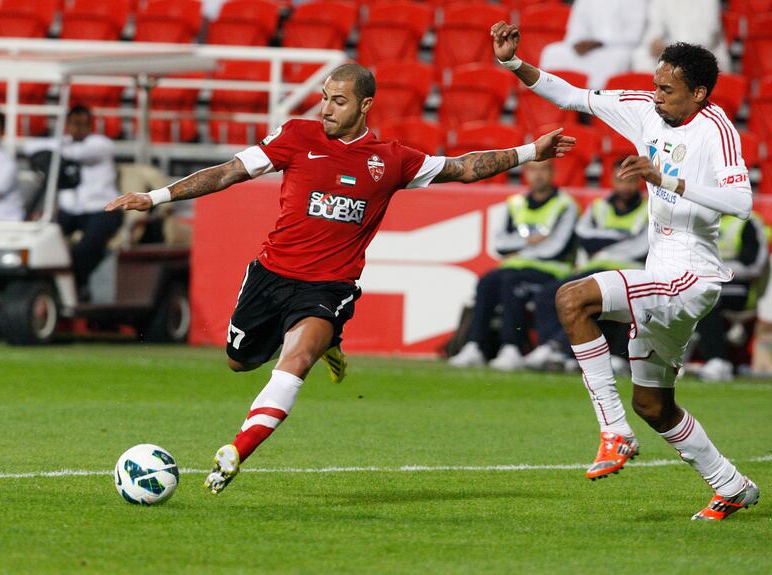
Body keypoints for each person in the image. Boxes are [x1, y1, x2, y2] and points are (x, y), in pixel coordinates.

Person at [105, 63, 575, 495]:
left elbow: (463, 168)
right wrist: (156, 197)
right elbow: (230, 171)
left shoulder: (391, 159)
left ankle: (238, 449)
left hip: (329, 286)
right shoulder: (295, 136)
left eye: (339, 101)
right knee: (239, 362)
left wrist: (531, 151)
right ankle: (325, 342)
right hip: (270, 275)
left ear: (365, 105)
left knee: (298, 355)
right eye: (325, 98)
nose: (327, 109)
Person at [491, 22, 759, 520]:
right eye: (655, 85)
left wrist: (667, 180)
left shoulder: (716, 129)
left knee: (573, 298)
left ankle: (613, 430)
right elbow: (571, 96)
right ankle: (731, 484)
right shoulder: (644, 110)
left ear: (699, 93)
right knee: (654, 405)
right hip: (662, 274)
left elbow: (741, 201)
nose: (655, 96)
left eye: (667, 89)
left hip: (693, 278)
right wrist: (513, 63)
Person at [448, 159, 578, 371]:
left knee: (510, 281)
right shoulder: (515, 203)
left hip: (552, 271)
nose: (538, 175)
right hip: (516, 267)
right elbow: (500, 243)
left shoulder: (566, 204)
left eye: (543, 169)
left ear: (552, 172)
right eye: (533, 170)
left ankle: (512, 348)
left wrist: (517, 248)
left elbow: (556, 248)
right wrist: (530, 241)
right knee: (487, 281)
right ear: (526, 173)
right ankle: (475, 346)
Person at [525, 158, 649, 374]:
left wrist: (603, 246)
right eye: (620, 180)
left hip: (628, 272)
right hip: (594, 269)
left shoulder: (650, 208)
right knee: (547, 295)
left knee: (585, 301)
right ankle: (550, 351)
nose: (625, 186)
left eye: (631, 181)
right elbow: (584, 236)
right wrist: (621, 236)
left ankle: (558, 349)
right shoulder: (599, 207)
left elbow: (642, 246)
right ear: (611, 180)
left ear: (639, 182)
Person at [26, 105, 123, 298]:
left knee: (84, 249)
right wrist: (57, 147)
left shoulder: (100, 144)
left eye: (83, 124)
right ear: (66, 125)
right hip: (71, 212)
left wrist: (54, 149)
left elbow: (78, 153)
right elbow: (30, 146)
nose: (78, 129)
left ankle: (77, 287)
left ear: (91, 126)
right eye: (74, 124)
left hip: (103, 210)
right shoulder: (64, 143)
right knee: (41, 240)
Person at [695, 213, 768, 381]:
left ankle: (719, 361)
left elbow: (754, 265)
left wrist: (715, 270)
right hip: (702, 282)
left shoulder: (747, 222)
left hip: (738, 288)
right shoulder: (698, 219)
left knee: (704, 298)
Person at [539, 0, 647, 89]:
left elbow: (634, 35)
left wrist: (600, 43)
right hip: (588, 49)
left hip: (618, 48)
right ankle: (553, 103)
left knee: (615, 61)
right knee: (552, 53)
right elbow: (575, 29)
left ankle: (591, 107)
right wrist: (579, 42)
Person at [632, 0, 730, 74]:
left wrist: (672, 48)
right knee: (641, 58)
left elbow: (709, 37)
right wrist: (654, 41)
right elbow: (654, 27)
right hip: (670, 50)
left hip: (702, 51)